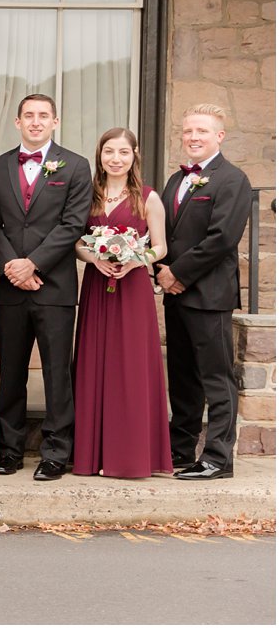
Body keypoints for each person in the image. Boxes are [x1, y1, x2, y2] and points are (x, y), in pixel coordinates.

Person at [0, 93, 92, 481]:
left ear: (55, 122)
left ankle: (56, 453)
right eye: (28, 115)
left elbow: (73, 223)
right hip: (9, 286)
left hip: (54, 286)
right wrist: (13, 266)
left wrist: (34, 263)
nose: (35, 122)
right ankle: (9, 450)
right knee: (11, 372)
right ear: (17, 122)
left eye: (43, 115)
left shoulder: (76, 166)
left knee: (56, 373)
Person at [157, 104, 252, 481]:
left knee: (216, 377)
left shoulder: (233, 179)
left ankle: (217, 458)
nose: (193, 137)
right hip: (175, 293)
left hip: (210, 295)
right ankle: (181, 449)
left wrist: (177, 273)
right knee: (181, 376)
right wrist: (162, 272)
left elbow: (222, 239)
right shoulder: (173, 181)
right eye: (188, 131)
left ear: (219, 136)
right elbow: (162, 235)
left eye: (201, 131)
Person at [72, 128, 171, 479]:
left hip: (132, 291)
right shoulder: (89, 196)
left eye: (123, 152)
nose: (116, 158)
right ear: (99, 155)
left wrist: (135, 259)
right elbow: (77, 242)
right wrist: (93, 259)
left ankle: (130, 455)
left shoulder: (147, 198)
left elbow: (161, 247)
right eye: (109, 152)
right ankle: (92, 454)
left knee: (130, 367)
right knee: (95, 363)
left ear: (135, 155)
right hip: (98, 287)